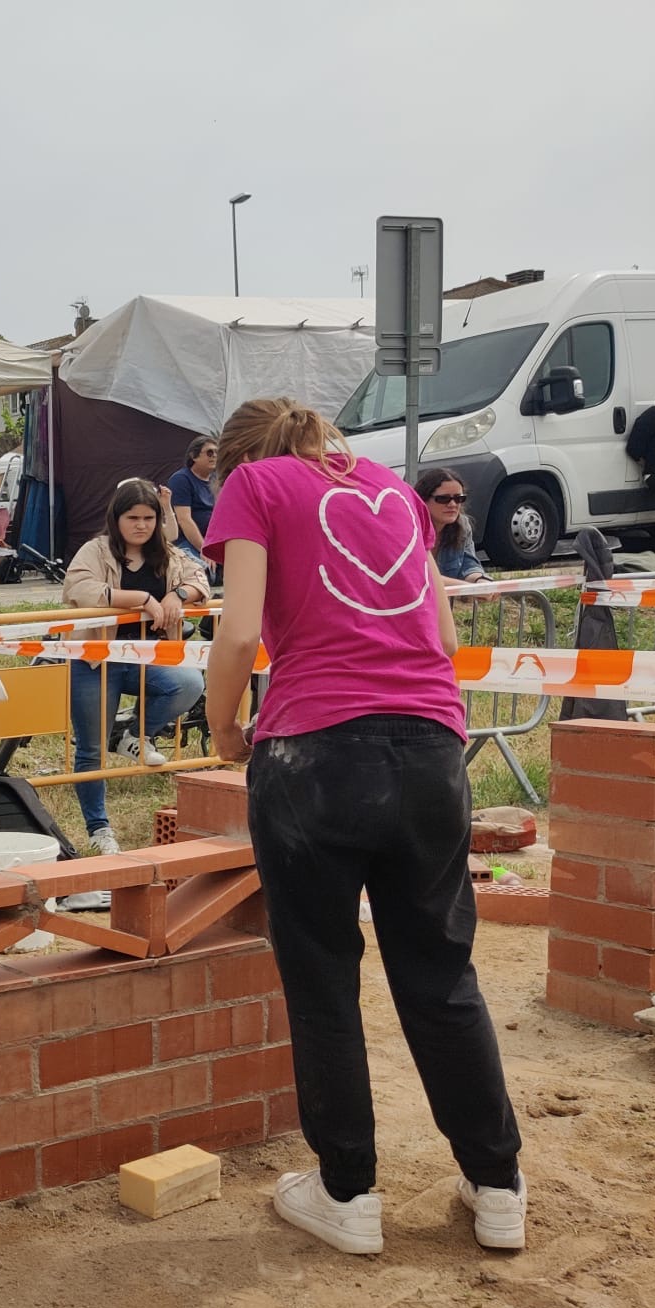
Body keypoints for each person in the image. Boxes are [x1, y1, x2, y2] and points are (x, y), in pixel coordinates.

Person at [203, 396, 525, 1256]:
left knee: (322, 976)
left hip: (313, 751)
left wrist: (225, 723)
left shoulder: (253, 488)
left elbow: (238, 634)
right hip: (429, 746)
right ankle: (498, 1184)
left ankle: (348, 1194)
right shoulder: (393, 488)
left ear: (237, 458)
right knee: (441, 972)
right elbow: (444, 632)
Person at [61, 480, 211, 854]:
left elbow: (200, 580)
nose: (141, 525)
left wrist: (177, 595)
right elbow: (78, 588)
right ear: (117, 518)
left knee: (190, 683)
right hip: (97, 658)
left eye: (148, 517)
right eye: (133, 518)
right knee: (90, 752)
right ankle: (99, 829)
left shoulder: (169, 554)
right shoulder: (95, 550)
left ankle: (132, 732)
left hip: (150, 657)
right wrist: (142, 598)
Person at [416, 468, 489, 584]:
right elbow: (419, 576)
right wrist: (467, 588)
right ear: (423, 500)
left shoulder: (462, 525)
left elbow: (468, 566)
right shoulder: (411, 529)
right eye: (443, 499)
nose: (452, 504)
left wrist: (480, 580)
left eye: (459, 498)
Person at [165, 436, 219, 562]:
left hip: (213, 540)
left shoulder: (216, 480)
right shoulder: (181, 479)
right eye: (210, 452)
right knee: (201, 571)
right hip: (187, 542)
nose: (214, 456)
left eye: (217, 452)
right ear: (194, 456)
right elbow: (184, 520)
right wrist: (204, 549)